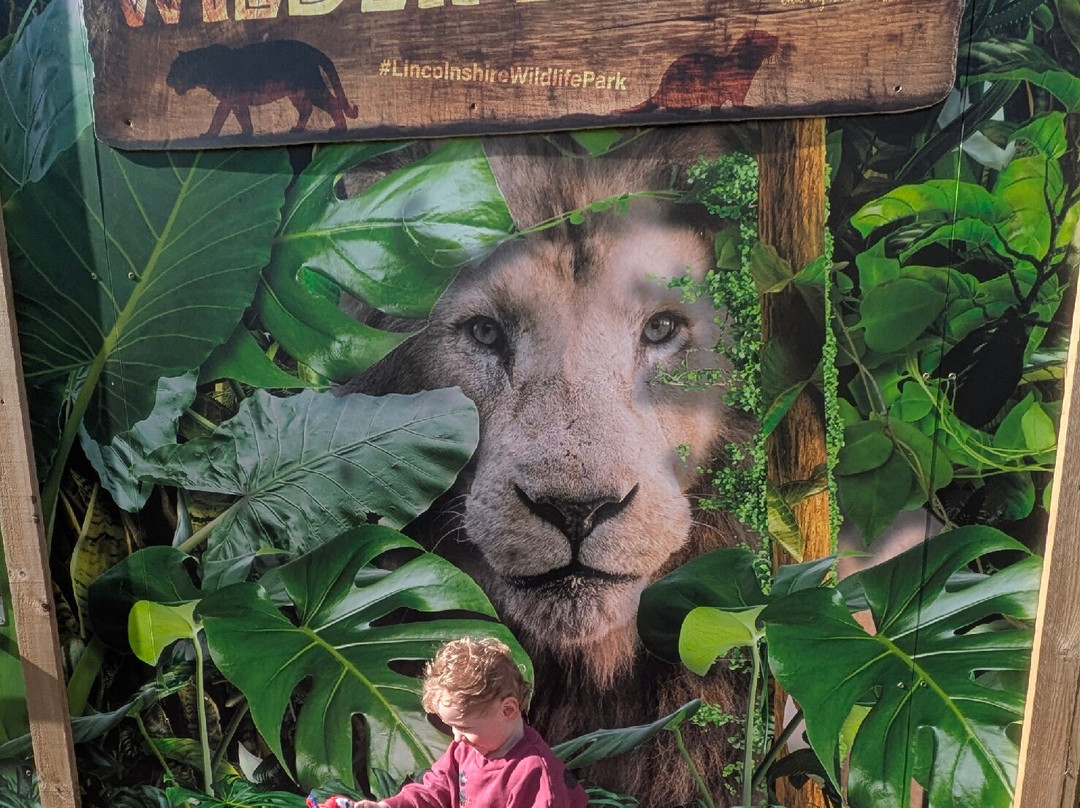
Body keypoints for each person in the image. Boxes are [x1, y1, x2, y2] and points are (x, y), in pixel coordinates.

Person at [318, 636, 588, 808]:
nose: (456, 737)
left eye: (465, 727)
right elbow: (434, 791)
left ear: (508, 709)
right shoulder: (464, 751)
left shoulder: (534, 775)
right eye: (452, 727)